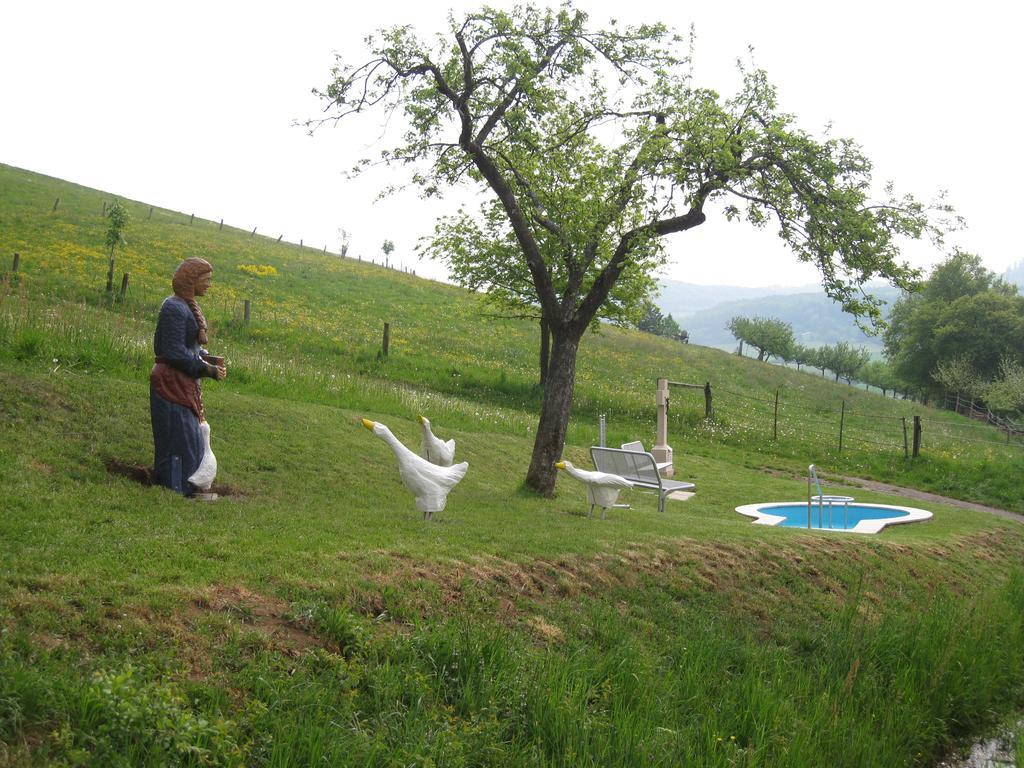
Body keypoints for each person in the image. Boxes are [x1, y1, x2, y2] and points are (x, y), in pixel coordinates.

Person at [150, 257, 227, 494]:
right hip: (170, 382)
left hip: (184, 382)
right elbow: (172, 351)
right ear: (191, 280)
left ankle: (188, 484)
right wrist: (206, 369)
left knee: (191, 434)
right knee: (179, 435)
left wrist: (205, 357)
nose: (209, 285)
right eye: (205, 280)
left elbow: (188, 347)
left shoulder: (188, 306)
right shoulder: (174, 307)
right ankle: (176, 485)